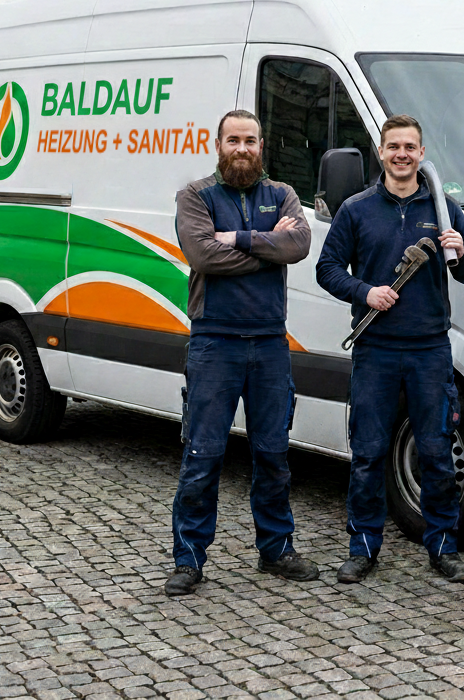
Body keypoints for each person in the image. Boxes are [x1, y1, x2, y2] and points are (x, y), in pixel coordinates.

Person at [315, 114, 464, 585]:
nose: (402, 154)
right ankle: (363, 547)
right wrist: (364, 292)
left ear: (421, 154)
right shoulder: (357, 209)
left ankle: (443, 547)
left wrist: (462, 251)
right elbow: (326, 269)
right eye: (394, 147)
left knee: (436, 452)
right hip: (376, 350)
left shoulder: (445, 208)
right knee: (368, 452)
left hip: (430, 350)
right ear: (382, 152)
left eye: (410, 147)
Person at [165, 110, 317, 597]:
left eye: (250, 140)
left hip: (270, 342)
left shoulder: (283, 194)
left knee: (272, 453)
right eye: (234, 140)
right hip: (215, 342)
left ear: (261, 145)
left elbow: (298, 245)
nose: (242, 149)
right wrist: (265, 247)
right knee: (202, 453)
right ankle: (189, 559)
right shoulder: (195, 195)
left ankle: (276, 549)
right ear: (219, 144)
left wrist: (241, 238)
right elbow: (203, 254)